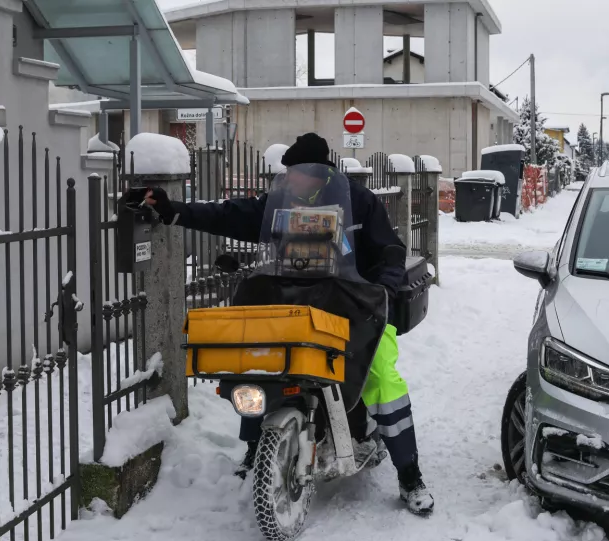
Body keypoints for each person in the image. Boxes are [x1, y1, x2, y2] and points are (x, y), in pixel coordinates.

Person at [143, 133, 434, 515]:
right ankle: (256, 449)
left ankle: (409, 474)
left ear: (317, 172)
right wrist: (174, 210)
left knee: (381, 376)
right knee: (262, 362)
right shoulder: (280, 201)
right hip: (293, 302)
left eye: (295, 172)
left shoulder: (359, 201)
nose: (289, 179)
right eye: (288, 173)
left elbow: (390, 249)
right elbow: (232, 214)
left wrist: (387, 284)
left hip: (354, 304)